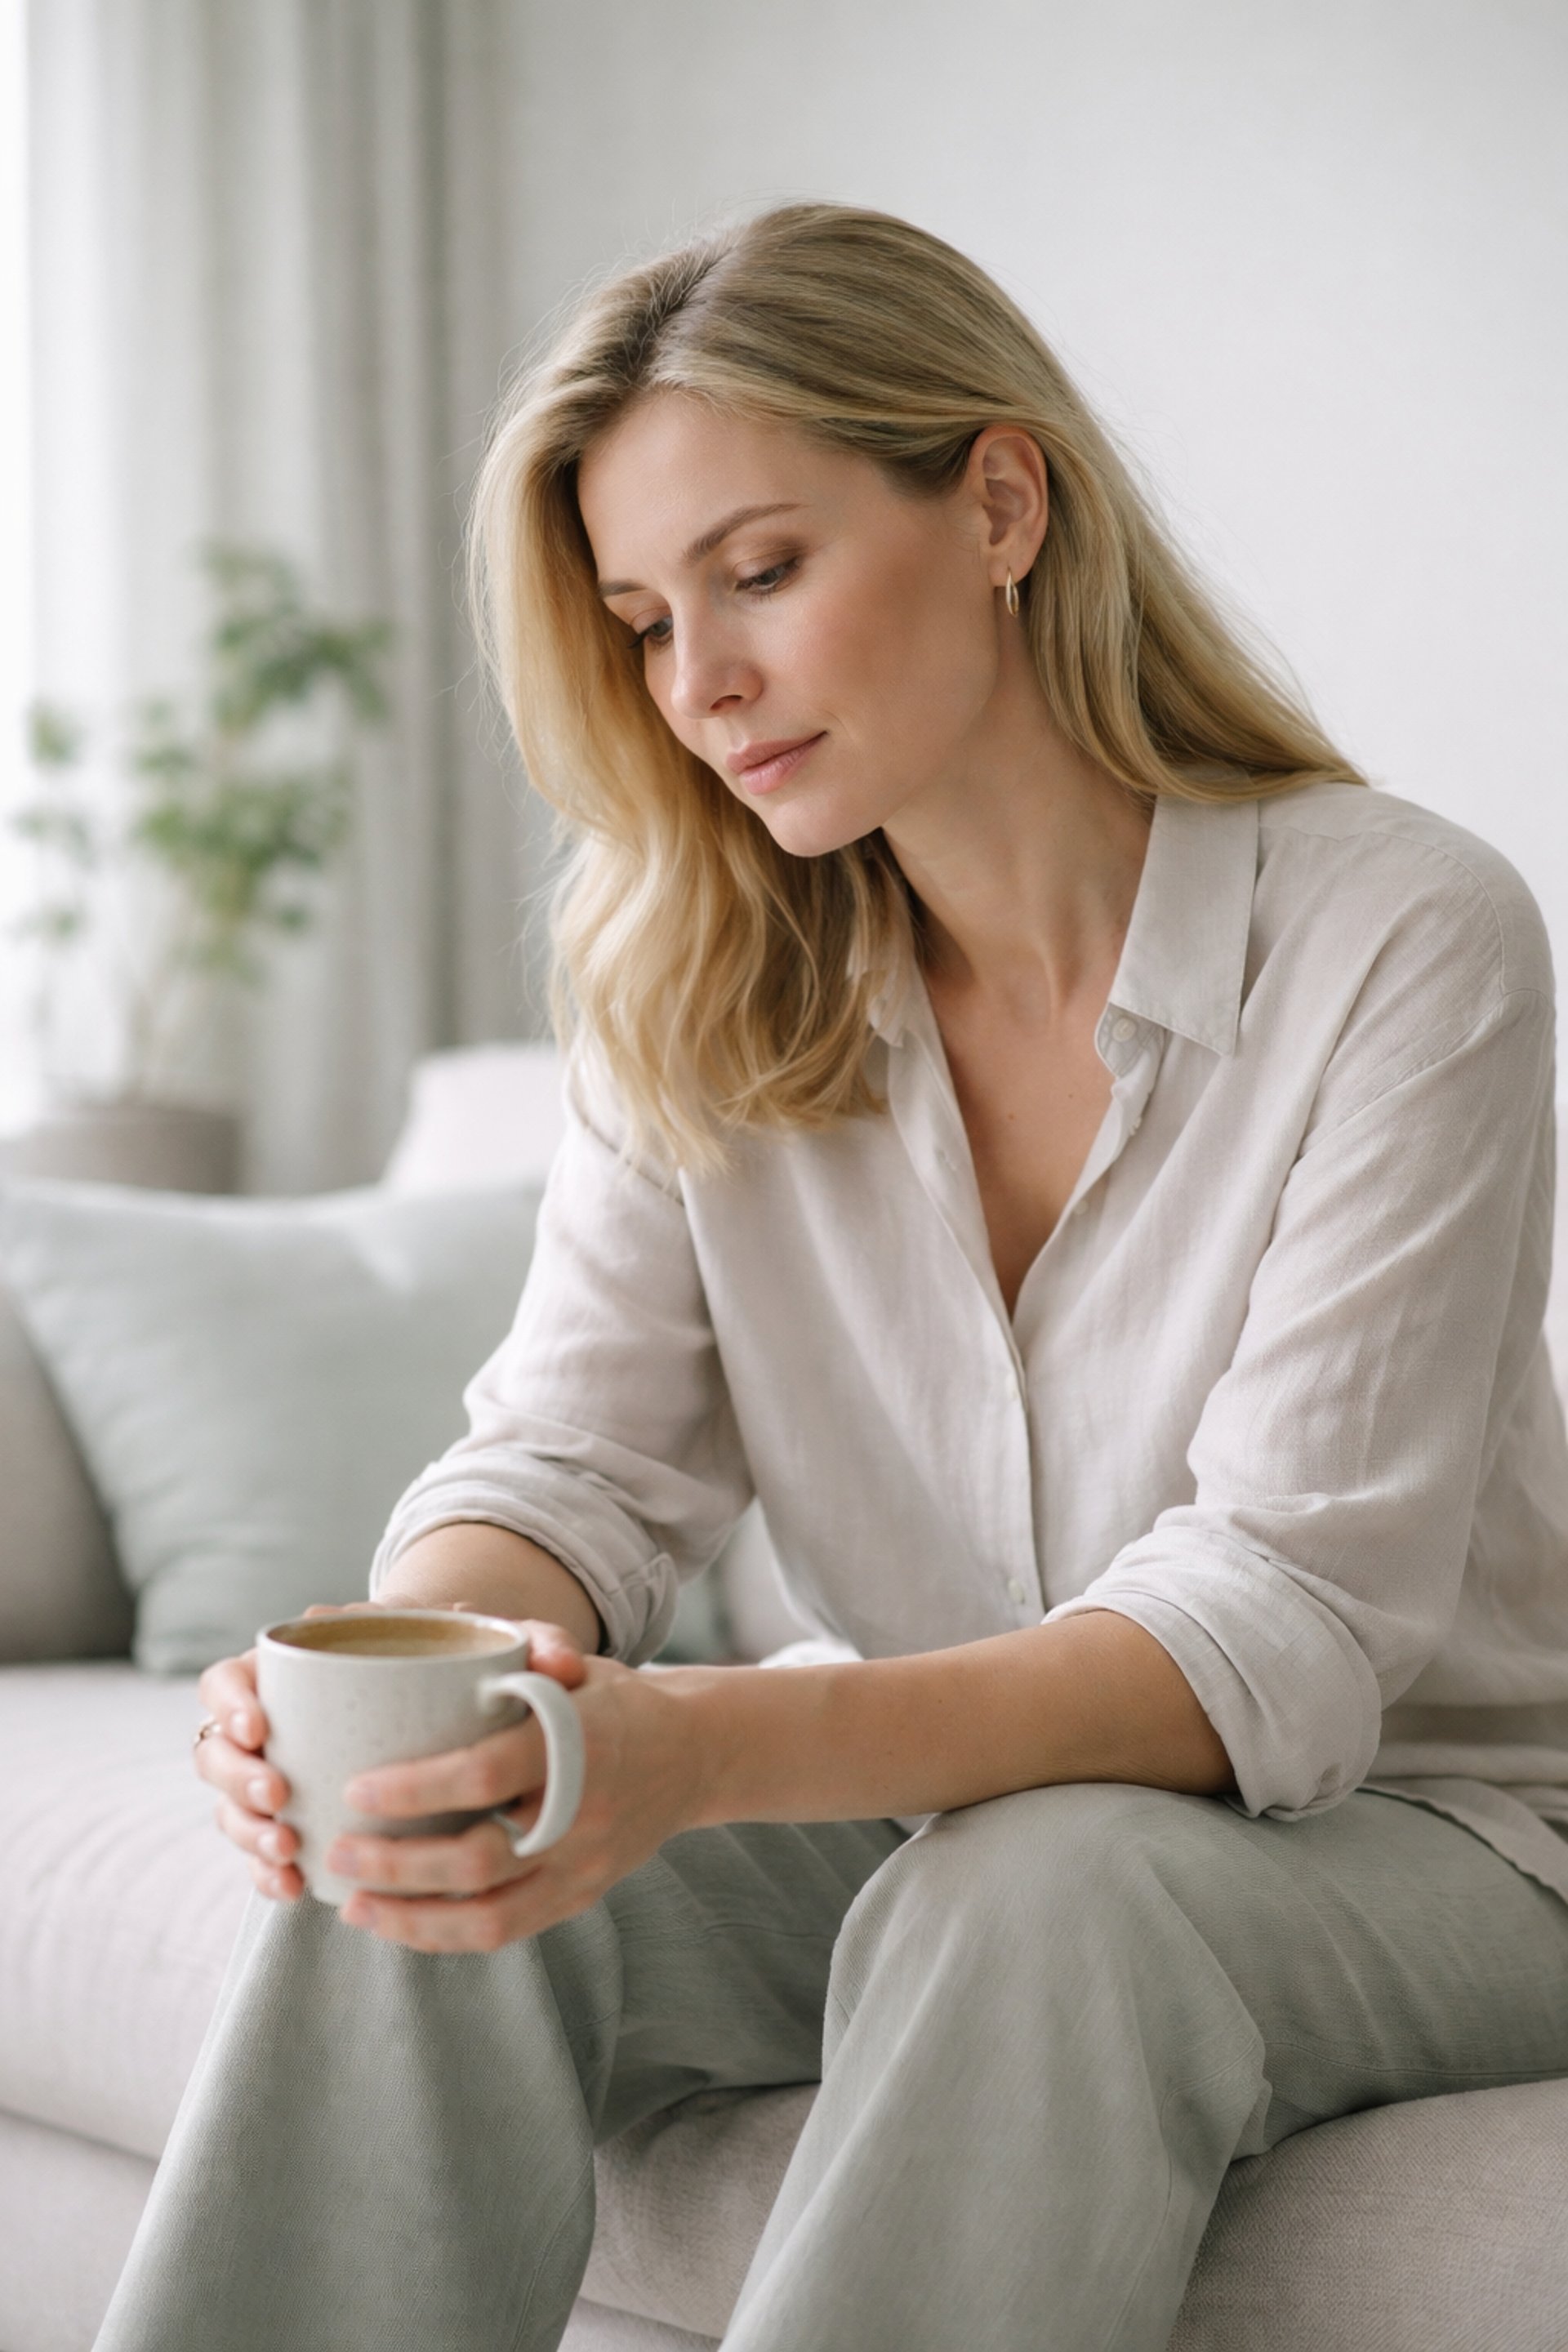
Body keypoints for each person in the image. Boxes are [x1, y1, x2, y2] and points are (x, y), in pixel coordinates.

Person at [98, 203, 1568, 2352]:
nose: (698, 686)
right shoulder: (692, 976)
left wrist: (695, 1747)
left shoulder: (1401, 939)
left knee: (1048, 1892)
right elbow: (574, 1460)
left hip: (1449, 1833)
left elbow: (1281, 1624)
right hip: (953, 1803)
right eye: (639, 621)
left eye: (760, 571)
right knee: (430, 1846)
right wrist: (432, 1690)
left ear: (996, 500)